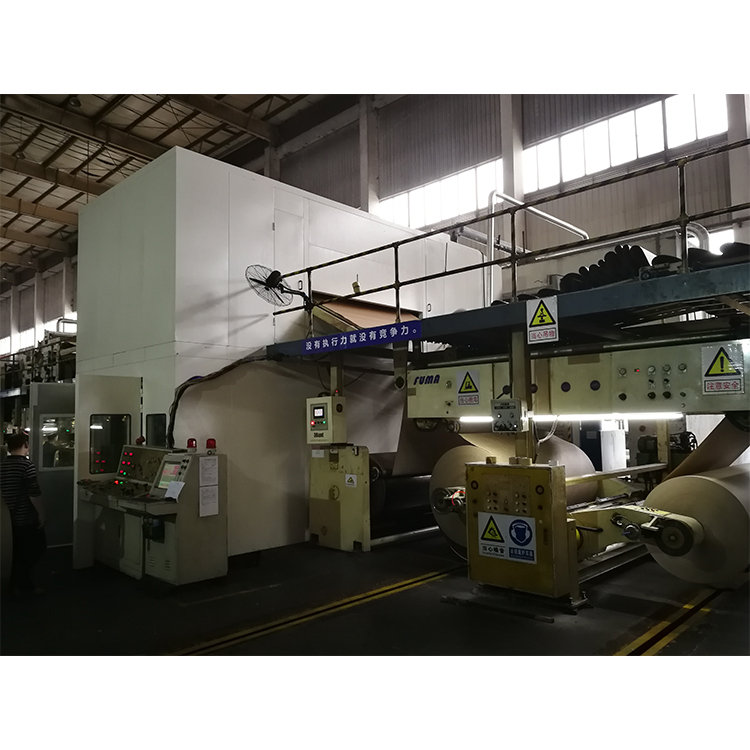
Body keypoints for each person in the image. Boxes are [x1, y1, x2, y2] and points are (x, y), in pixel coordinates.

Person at [0, 432, 47, 597]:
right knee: (37, 548)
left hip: (7, 519)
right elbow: (34, 493)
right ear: (25, 445)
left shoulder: (2, 465)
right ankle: (25, 586)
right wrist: (42, 514)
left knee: (16, 553)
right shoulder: (26, 465)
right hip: (25, 517)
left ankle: (14, 585)